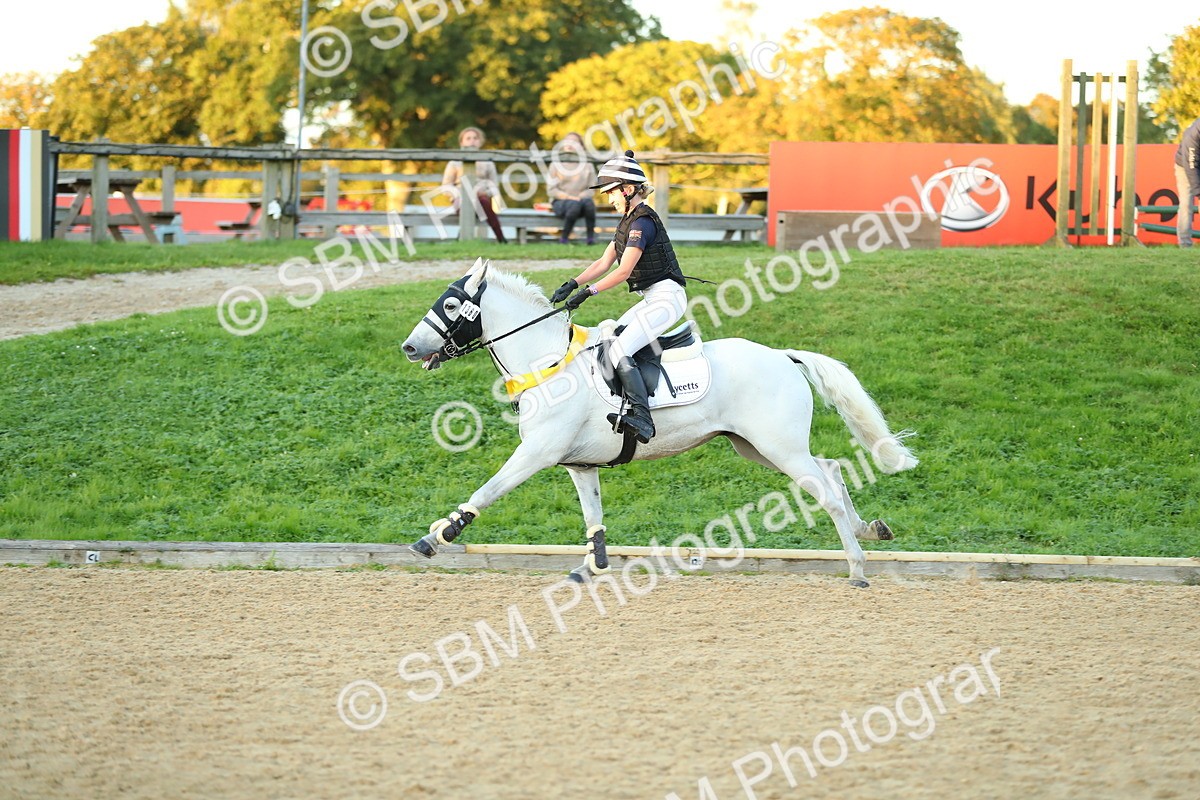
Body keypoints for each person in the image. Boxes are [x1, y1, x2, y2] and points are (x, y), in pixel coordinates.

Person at [549, 150, 686, 444]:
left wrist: (588, 292)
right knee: (608, 337)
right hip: (652, 299)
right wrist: (572, 283)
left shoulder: (642, 224)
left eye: (611, 192)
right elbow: (603, 263)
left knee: (619, 350)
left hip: (667, 300)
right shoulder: (627, 220)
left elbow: (623, 272)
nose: (608, 199)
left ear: (627, 189)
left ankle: (643, 418)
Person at [442, 126, 507, 244]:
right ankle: (501, 238)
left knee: (482, 201)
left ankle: (462, 239)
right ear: (462, 142)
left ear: (480, 141)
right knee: (472, 202)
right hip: (460, 198)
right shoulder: (454, 162)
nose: (472, 140)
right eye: (468, 138)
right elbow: (446, 187)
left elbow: (494, 187)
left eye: (475, 138)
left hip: (482, 198)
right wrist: (461, 193)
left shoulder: (488, 162)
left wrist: (484, 192)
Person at [547, 132, 598, 244]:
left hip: (582, 201)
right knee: (574, 205)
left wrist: (579, 197)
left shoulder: (587, 165)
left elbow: (592, 188)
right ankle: (564, 238)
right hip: (561, 202)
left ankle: (590, 238)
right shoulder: (555, 164)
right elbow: (551, 190)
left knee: (589, 204)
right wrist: (569, 197)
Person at [1175, 116, 1200, 248]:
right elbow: (1191, 167)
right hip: (1185, 167)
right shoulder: (1193, 136)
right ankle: (1185, 244)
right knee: (1186, 204)